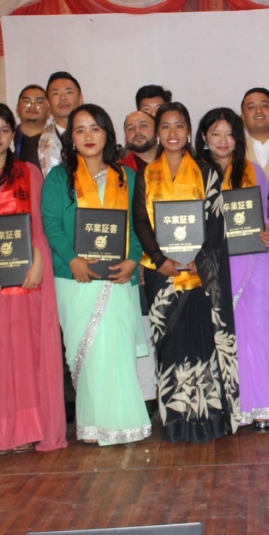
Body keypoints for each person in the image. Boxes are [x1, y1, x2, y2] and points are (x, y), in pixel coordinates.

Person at [0, 103, 67, 453]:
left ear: (12, 134)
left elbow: (37, 224)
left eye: (4, 129)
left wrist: (38, 263)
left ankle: (30, 429)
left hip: (27, 277)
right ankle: (4, 432)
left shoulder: (29, 172)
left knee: (28, 354)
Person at [42, 104, 152, 445]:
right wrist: (73, 259)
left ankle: (124, 422)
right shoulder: (59, 178)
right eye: (80, 130)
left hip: (119, 277)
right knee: (87, 352)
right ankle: (92, 424)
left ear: (107, 134)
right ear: (71, 138)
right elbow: (52, 225)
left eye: (95, 128)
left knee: (116, 351)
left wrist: (133, 259)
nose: (88, 136)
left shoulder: (127, 176)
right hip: (74, 278)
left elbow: (138, 224)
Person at [132, 102, 240, 443]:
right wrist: (157, 257)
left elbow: (215, 220)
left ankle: (210, 418)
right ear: (157, 133)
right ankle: (177, 421)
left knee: (203, 342)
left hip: (200, 272)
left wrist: (199, 258)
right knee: (172, 346)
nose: (172, 132)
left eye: (179, 125)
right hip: (162, 275)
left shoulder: (207, 171)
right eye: (165, 126)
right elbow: (140, 220)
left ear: (190, 131)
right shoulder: (146, 174)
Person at [196, 107, 269, 432]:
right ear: (204, 137)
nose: (223, 140)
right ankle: (230, 407)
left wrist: (268, 230)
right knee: (222, 338)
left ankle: (261, 407)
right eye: (215, 133)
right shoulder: (195, 173)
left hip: (254, 263)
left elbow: (265, 217)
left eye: (229, 134)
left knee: (257, 334)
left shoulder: (252, 170)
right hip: (214, 267)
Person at [120, 109, 161, 416]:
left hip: (180, 262)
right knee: (143, 331)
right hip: (138, 266)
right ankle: (147, 396)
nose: (137, 131)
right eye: (130, 127)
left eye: (143, 125)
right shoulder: (119, 172)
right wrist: (141, 259)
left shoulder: (180, 163)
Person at [26, 72, 83, 178]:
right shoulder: (34, 144)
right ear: (48, 103)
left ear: (80, 99)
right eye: (56, 93)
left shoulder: (94, 139)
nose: (63, 97)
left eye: (69, 92)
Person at [240, 87, 269, 176]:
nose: (259, 111)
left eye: (264, 106)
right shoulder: (235, 151)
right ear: (243, 119)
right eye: (251, 107)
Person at [15, 84, 49, 161]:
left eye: (39, 102)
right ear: (17, 109)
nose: (32, 106)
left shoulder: (57, 142)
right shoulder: (6, 139)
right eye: (26, 101)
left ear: (48, 111)